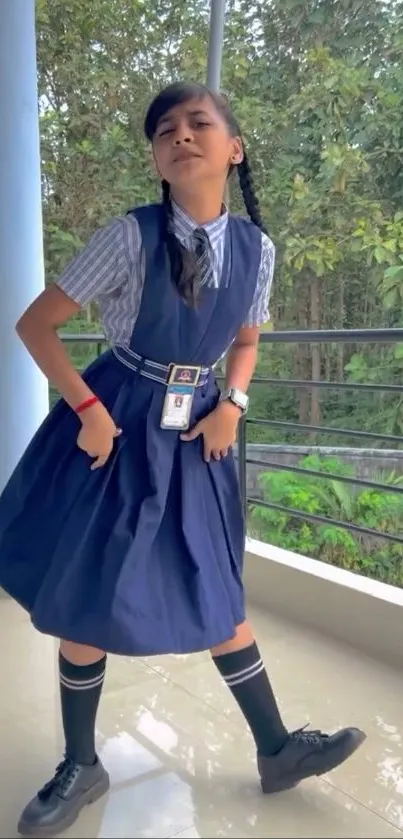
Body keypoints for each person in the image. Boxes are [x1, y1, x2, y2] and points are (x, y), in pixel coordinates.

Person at [0, 81, 365, 837]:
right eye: (165, 130)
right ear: (159, 161)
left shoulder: (257, 249)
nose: (181, 135)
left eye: (199, 123)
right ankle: (80, 762)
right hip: (120, 422)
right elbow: (36, 326)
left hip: (200, 428)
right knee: (90, 589)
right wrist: (89, 411)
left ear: (234, 149)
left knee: (215, 583)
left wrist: (232, 403)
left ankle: (275, 748)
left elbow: (246, 341)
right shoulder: (128, 235)